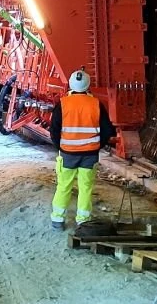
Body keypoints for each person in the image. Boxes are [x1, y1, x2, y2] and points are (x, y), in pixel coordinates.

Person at [48, 70, 116, 230]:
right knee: (86, 187)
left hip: (68, 154)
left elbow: (54, 131)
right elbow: (108, 131)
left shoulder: (63, 104)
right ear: (88, 85)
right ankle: (83, 221)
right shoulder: (96, 104)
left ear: (71, 84)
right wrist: (95, 146)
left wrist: (61, 147)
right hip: (89, 155)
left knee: (64, 186)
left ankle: (58, 220)